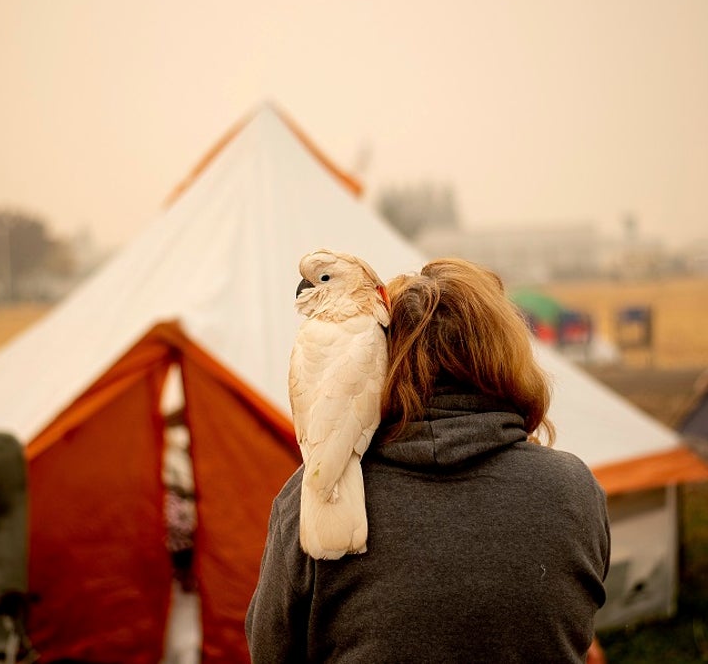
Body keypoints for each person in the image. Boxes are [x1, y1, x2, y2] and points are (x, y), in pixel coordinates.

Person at [246, 258, 610, 662]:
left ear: (381, 356)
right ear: (506, 354)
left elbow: (270, 652)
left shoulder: (315, 498)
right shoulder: (574, 489)